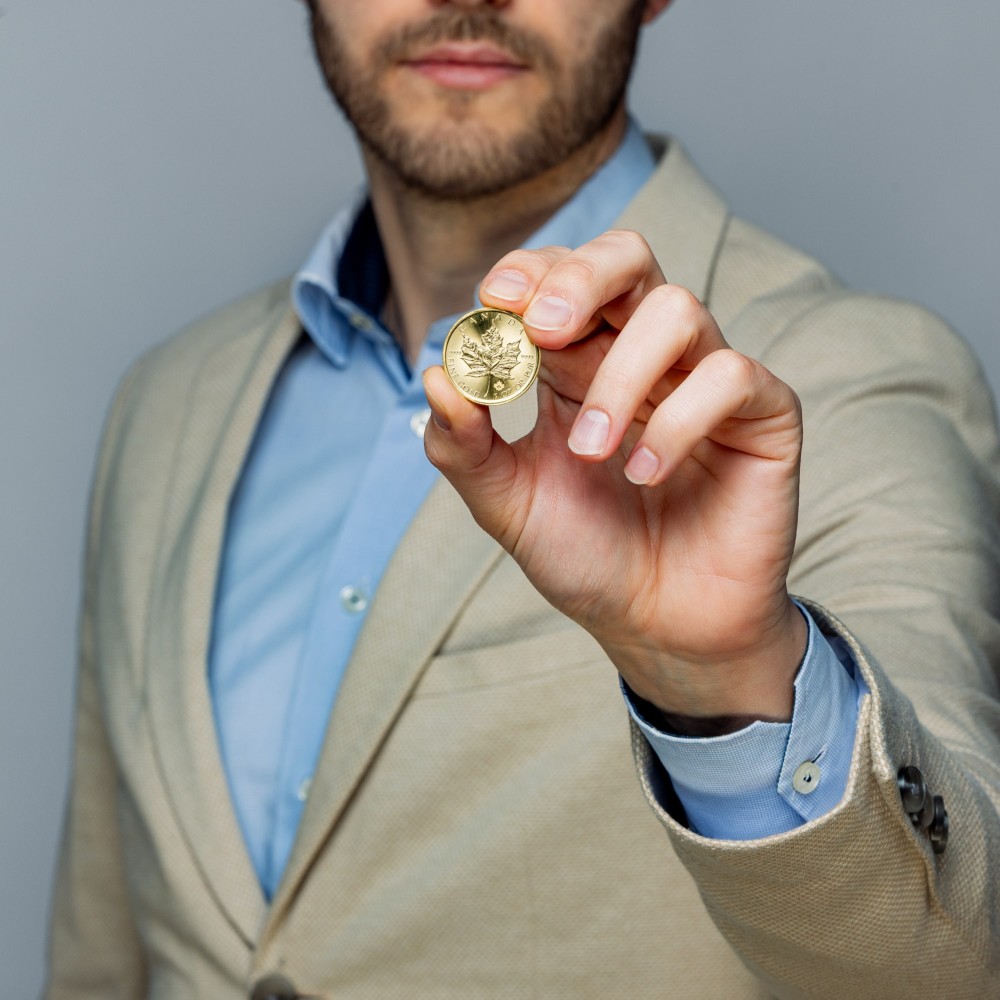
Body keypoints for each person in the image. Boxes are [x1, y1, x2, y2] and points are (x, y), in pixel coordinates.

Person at [44, 0, 1000, 997]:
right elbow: (98, 961)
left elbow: (953, 965)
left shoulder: (846, 387)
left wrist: (723, 683)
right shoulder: (167, 406)